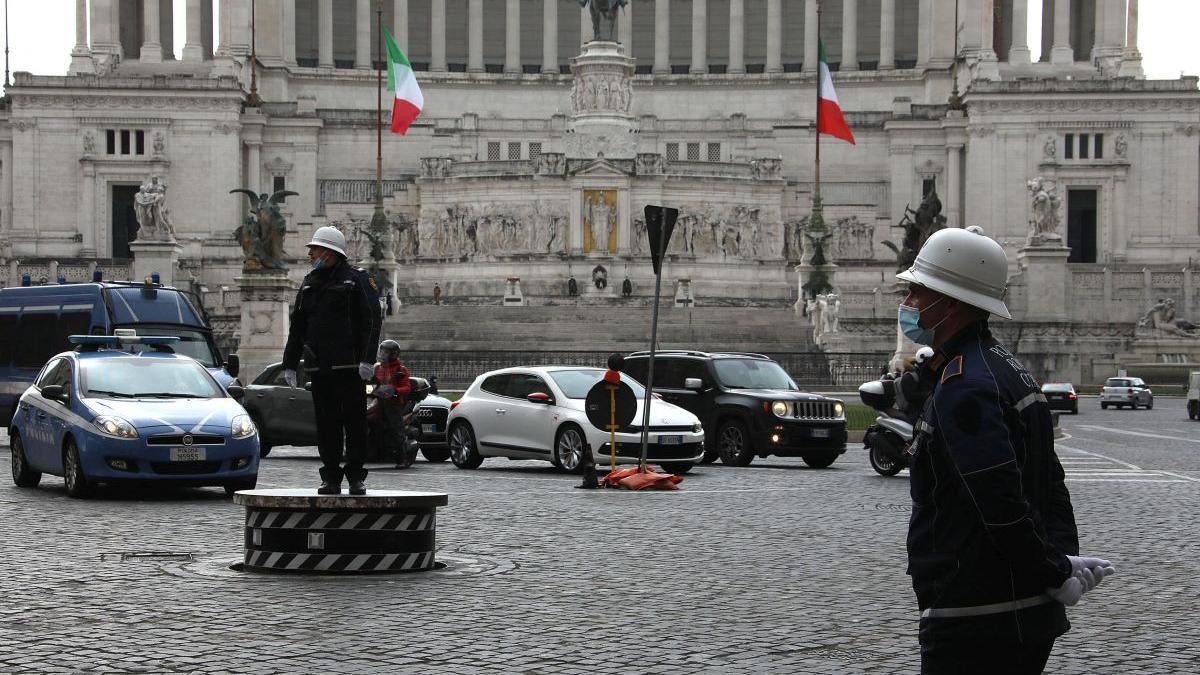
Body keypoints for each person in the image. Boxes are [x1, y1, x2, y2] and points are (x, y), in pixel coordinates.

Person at [896, 227, 1115, 674]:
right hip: (1020, 608)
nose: (910, 304)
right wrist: (1060, 562)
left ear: (950, 301)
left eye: (918, 292)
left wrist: (1055, 571)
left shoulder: (965, 387)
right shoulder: (1009, 369)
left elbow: (999, 505)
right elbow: (1050, 480)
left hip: (976, 609)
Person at [281, 226, 375, 496]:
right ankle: (331, 476)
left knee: (355, 424)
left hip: (349, 367)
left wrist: (367, 359)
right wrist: (289, 362)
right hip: (319, 367)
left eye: (315, 249)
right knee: (327, 425)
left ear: (330, 252)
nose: (310, 254)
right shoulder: (309, 282)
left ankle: (356, 476)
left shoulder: (356, 279)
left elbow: (371, 321)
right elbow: (298, 326)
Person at [372, 339, 414, 468]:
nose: (383, 354)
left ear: (393, 354)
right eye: (382, 351)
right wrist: (370, 389)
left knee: (396, 430)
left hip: (394, 403)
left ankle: (403, 458)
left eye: (386, 352)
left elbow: (407, 388)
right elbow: (370, 383)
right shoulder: (377, 368)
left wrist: (394, 390)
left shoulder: (401, 369)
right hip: (377, 401)